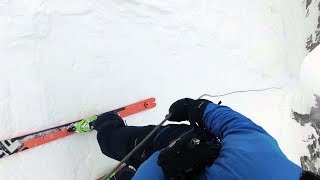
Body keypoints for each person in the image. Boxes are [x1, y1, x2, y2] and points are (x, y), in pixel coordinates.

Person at [79, 98, 320, 180]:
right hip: (163, 153)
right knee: (118, 145)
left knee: (123, 143)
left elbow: (235, 125)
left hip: (176, 141)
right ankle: (108, 130)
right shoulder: (264, 155)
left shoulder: (269, 153)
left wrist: (196, 107)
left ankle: (109, 131)